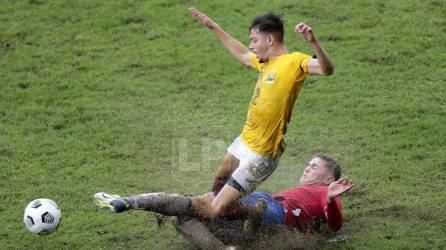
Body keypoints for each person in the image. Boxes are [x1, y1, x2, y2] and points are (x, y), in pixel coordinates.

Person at [182, 7, 335, 219]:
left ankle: (246, 214)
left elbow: (327, 69)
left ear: (270, 40)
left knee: (217, 208)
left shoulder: (294, 62)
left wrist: (313, 42)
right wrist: (215, 28)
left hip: (262, 153)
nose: (251, 46)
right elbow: (243, 55)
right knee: (220, 177)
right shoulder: (265, 62)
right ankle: (220, 216)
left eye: (254, 40)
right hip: (245, 140)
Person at [94, 154, 353, 248]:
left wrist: (330, 200)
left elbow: (336, 226)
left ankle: (130, 202)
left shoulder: (326, 193)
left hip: (276, 215)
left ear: (328, 178)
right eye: (308, 164)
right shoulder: (308, 190)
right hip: (259, 219)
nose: (307, 168)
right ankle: (229, 242)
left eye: (314, 167)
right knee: (184, 216)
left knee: (202, 203)